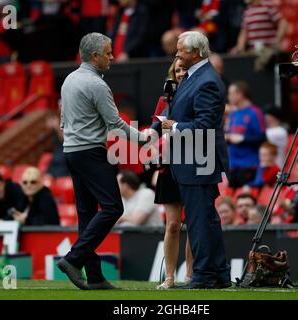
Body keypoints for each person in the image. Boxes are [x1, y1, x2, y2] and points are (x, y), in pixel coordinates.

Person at [58, 32, 146, 290]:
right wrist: (143, 139)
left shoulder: (69, 79)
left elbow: (63, 121)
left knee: (86, 214)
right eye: (108, 52)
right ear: (94, 56)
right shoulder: (97, 85)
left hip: (71, 151)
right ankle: (73, 259)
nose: (112, 56)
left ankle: (95, 277)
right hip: (90, 153)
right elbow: (115, 124)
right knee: (112, 208)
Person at [160, 31, 231, 289]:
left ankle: (203, 276)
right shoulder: (197, 76)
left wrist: (174, 126)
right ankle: (220, 273)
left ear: (196, 53)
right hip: (193, 161)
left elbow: (205, 125)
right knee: (208, 220)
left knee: (200, 221)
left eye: (181, 50)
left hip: (197, 161)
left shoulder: (207, 80)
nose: (177, 54)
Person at [152, 58, 193, 289]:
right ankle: (169, 277)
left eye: (184, 69)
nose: (180, 73)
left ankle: (190, 275)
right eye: (177, 69)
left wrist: (175, 125)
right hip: (169, 165)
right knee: (173, 225)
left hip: (195, 162)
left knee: (193, 224)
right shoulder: (163, 100)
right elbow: (155, 127)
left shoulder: (197, 94)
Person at [226, 81, 266, 188]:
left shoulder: (254, 112)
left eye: (230, 93)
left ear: (240, 94)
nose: (228, 97)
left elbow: (262, 138)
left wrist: (243, 139)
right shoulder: (233, 114)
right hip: (232, 165)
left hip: (249, 165)